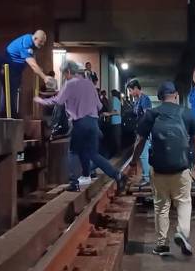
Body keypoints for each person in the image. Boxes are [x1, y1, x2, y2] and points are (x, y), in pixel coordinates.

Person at [126, 82, 195, 256]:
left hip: (159, 170)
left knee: (161, 206)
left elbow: (140, 142)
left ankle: (162, 245)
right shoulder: (187, 113)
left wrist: (133, 163)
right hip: (181, 169)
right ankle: (182, 233)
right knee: (183, 202)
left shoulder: (151, 114)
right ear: (175, 95)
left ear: (159, 98)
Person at [34, 61, 127, 191]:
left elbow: (58, 101)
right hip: (94, 122)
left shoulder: (70, 84)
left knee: (73, 152)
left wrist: (41, 101)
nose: (65, 77)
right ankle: (116, 175)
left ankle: (74, 183)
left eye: (64, 74)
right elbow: (99, 106)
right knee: (93, 154)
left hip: (80, 122)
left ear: (68, 72)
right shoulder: (89, 84)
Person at [0, 30, 50, 118]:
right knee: (9, 89)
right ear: (35, 38)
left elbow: (33, 60)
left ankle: (10, 114)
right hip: (8, 66)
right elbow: (32, 64)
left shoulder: (33, 44)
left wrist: (39, 69)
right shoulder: (27, 42)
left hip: (15, 69)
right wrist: (44, 77)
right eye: (41, 42)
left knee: (13, 90)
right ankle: (6, 115)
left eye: (43, 43)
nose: (42, 44)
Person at [126, 79, 152, 187]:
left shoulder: (145, 99)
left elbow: (147, 115)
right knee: (142, 154)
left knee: (143, 154)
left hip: (144, 130)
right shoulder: (137, 100)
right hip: (140, 129)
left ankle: (147, 178)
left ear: (136, 88)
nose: (130, 93)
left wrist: (147, 131)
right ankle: (146, 176)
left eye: (131, 90)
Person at [103, 89, 122, 155]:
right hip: (116, 122)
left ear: (112, 94)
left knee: (116, 138)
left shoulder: (115, 100)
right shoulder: (117, 100)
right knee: (115, 138)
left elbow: (117, 112)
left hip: (116, 122)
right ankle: (117, 153)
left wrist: (108, 114)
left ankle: (118, 153)